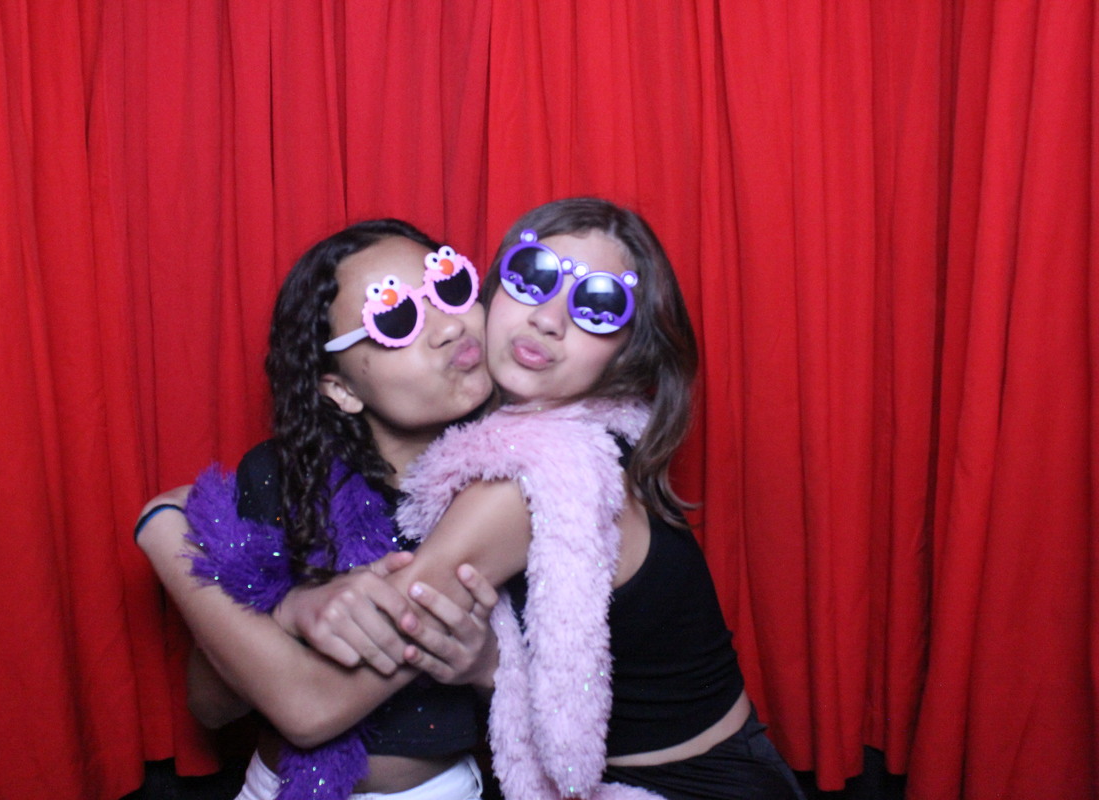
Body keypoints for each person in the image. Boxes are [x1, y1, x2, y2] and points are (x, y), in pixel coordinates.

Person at [279, 198, 804, 800]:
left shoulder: (529, 479)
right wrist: (490, 667)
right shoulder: (580, 434)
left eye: (598, 306)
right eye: (533, 278)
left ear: (626, 352)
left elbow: (311, 706)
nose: (550, 320)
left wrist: (194, 560)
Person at [135, 218, 503, 800]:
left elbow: (581, 700)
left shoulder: (514, 487)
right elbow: (210, 705)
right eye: (396, 319)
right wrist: (287, 612)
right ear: (341, 389)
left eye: (451, 286)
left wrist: (489, 666)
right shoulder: (280, 480)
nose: (449, 326)